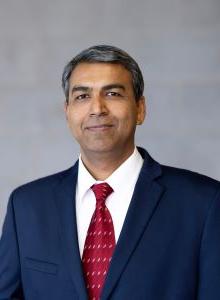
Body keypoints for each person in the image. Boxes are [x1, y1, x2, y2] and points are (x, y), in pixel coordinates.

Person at [0, 45, 220, 300]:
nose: (97, 109)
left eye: (113, 93)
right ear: (67, 112)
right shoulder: (27, 206)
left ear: (140, 109)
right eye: (82, 96)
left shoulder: (205, 203)